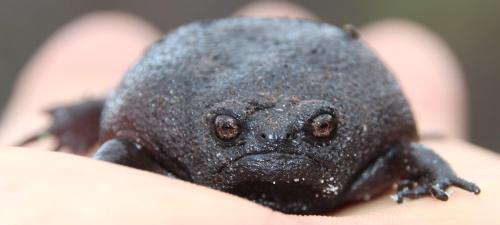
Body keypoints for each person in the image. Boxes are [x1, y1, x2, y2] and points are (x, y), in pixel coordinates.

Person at [0, 1, 498, 224]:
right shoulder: (169, 131)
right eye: (231, 131)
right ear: (215, 126)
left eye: (319, 130)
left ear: (336, 126)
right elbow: (123, 144)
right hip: (191, 74)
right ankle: (72, 118)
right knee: (118, 105)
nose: (274, 143)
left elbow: (409, 153)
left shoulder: (372, 147)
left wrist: (436, 179)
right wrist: (97, 180)